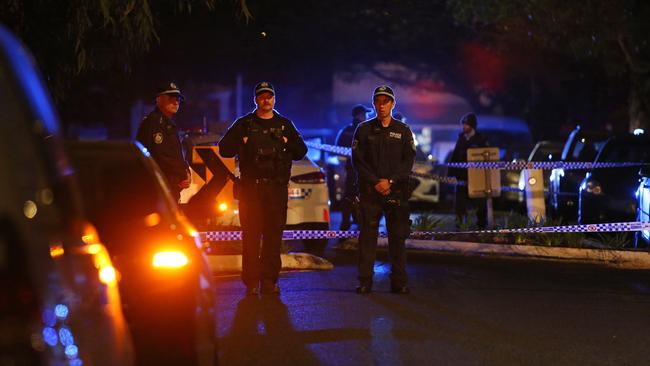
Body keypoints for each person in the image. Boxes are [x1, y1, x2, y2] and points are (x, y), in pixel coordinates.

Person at [218, 82, 307, 296]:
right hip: (252, 191)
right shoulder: (244, 124)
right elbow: (224, 149)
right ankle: (250, 283)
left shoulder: (284, 125)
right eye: (262, 96)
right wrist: (242, 141)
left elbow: (301, 151)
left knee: (273, 237)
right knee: (250, 237)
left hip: (276, 190)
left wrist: (286, 142)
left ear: (274, 99)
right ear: (256, 99)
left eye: (269, 96)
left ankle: (269, 281)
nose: (266, 100)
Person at [352, 85, 415, 294]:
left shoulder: (403, 131)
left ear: (392, 104)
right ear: (374, 104)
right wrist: (375, 182)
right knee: (367, 239)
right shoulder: (363, 130)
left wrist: (391, 182)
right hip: (370, 193)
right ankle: (364, 282)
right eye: (378, 101)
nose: (381, 105)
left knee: (397, 239)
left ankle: (399, 282)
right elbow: (358, 161)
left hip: (396, 193)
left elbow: (408, 162)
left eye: (385, 101)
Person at [136, 82, 190, 202]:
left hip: (170, 186)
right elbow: (161, 156)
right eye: (171, 98)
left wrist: (186, 171)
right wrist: (182, 172)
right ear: (159, 99)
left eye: (178, 99)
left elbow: (176, 154)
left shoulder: (169, 124)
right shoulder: (154, 123)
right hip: (159, 187)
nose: (176, 102)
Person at [448, 112, 489, 229]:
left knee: (480, 203)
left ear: (472, 125)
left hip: (477, 177)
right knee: (460, 204)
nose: (464, 126)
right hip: (462, 177)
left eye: (466, 124)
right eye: (463, 124)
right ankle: (460, 226)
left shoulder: (481, 139)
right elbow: (455, 156)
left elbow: (487, 157)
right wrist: (451, 174)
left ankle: (481, 226)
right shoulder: (461, 139)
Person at [335, 104, 371, 232]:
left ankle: (347, 223)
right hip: (363, 171)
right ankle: (357, 224)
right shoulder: (366, 130)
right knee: (361, 196)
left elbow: (338, 151)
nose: (367, 116)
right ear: (359, 115)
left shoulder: (345, 130)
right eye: (365, 114)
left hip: (351, 169)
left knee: (350, 196)